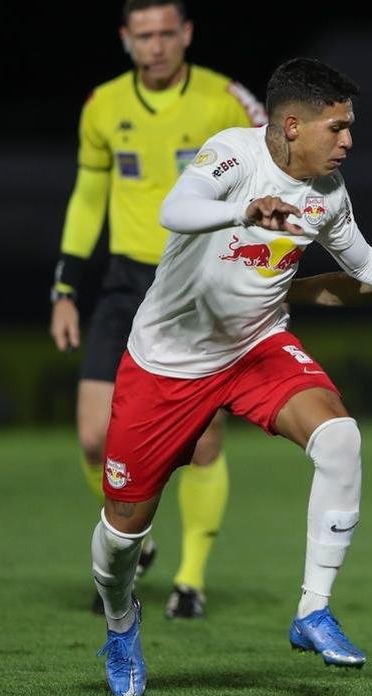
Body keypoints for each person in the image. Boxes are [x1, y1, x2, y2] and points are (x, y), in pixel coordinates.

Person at [90, 57, 372, 696]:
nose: (348, 141)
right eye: (338, 128)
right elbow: (176, 209)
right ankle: (121, 622)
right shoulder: (233, 156)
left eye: (351, 128)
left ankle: (312, 610)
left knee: (340, 438)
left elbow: (367, 263)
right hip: (168, 363)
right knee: (124, 532)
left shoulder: (328, 196)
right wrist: (243, 214)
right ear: (292, 125)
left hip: (257, 346)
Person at [50, 0, 268, 619]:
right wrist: (64, 287)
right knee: (95, 436)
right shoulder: (103, 106)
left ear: (187, 34)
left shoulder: (226, 100)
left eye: (167, 33)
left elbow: (276, 166)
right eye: (143, 35)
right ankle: (136, 538)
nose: (156, 45)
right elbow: (89, 196)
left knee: (200, 442)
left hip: (200, 280)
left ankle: (191, 581)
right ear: (125, 38)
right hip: (124, 283)